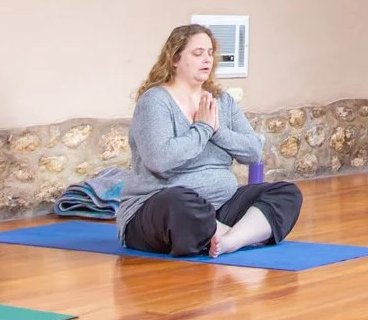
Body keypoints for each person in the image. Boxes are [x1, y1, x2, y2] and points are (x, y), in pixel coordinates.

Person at [117, 24, 304, 257]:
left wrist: (217, 131)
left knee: (287, 193)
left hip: (222, 204)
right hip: (160, 208)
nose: (207, 59)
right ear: (174, 59)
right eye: (197, 53)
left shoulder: (221, 101)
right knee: (180, 202)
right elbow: (159, 160)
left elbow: (253, 151)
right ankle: (240, 234)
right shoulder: (155, 101)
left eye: (210, 53)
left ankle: (229, 239)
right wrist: (202, 129)